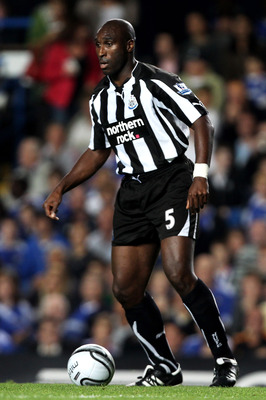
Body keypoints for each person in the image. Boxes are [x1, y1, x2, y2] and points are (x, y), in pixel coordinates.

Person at [43, 19, 239, 387]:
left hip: (173, 180)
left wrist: (200, 174)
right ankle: (165, 367)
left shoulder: (157, 81)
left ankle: (225, 359)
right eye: (98, 45)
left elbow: (202, 122)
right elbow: (98, 149)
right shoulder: (99, 99)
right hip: (131, 191)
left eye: (109, 43)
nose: (101, 51)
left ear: (129, 46)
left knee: (179, 272)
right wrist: (61, 187)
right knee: (125, 289)